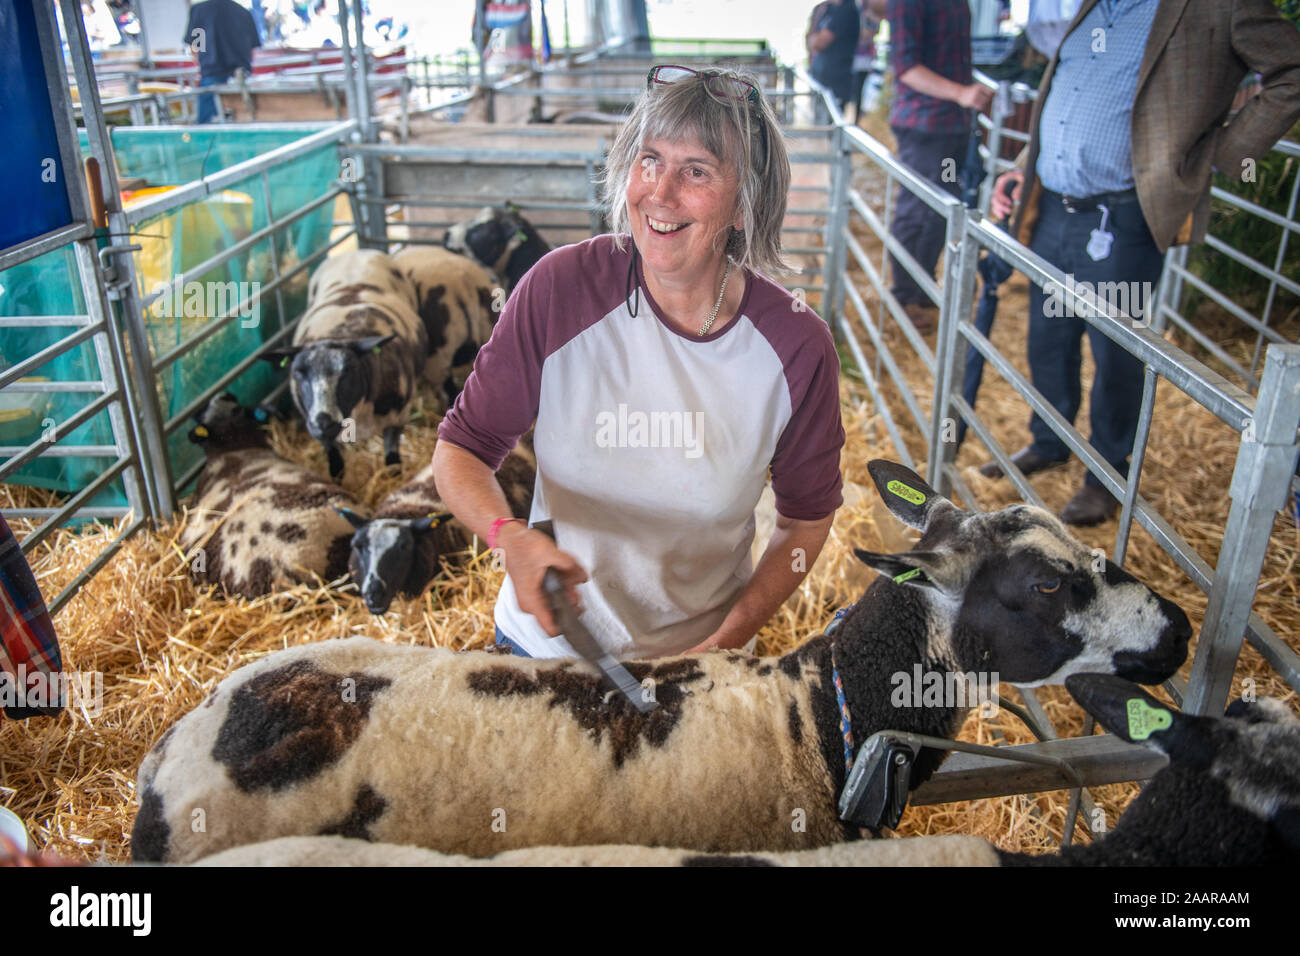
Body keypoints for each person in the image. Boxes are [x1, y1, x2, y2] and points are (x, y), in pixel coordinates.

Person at [433, 66, 845, 661]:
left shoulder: (797, 347)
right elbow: (462, 449)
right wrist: (508, 539)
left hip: (700, 672)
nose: (660, 192)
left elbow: (806, 523)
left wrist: (724, 644)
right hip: (546, 654)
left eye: (696, 171)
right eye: (649, 160)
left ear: (743, 205)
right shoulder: (559, 288)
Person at [985, 0, 1300, 525]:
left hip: (1123, 216)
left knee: (1116, 351)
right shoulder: (1091, 6)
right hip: (1054, 208)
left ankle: (1106, 474)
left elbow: (1292, 68)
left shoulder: (1217, 6)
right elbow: (1070, 97)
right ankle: (1050, 441)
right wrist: (1023, 166)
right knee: (1048, 335)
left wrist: (1225, 154)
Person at [883, 0, 993, 332]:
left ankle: (921, 285)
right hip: (924, 126)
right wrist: (960, 92)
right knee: (917, 209)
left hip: (952, 126)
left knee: (942, 209)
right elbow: (906, 67)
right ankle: (903, 297)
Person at [184, 0, 261, 125]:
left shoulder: (199, 11)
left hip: (212, 75)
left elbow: (195, 46)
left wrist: (204, 60)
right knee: (245, 122)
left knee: (206, 128)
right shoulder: (243, 12)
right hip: (241, 78)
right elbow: (251, 49)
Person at [808, 0, 862, 116]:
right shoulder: (826, 9)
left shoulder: (847, 9)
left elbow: (819, 43)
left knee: (830, 128)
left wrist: (815, 39)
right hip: (820, 81)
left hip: (836, 84)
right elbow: (811, 41)